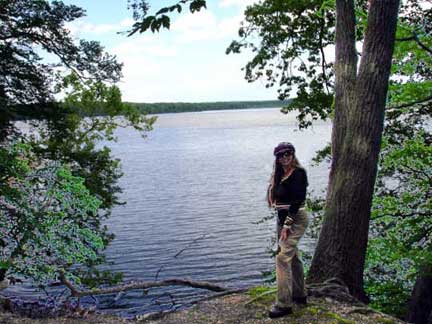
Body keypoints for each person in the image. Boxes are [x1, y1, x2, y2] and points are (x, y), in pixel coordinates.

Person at [267, 142, 309, 319]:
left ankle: (284, 303)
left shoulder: (299, 173)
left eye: (288, 154)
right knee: (293, 257)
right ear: (276, 158)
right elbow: (273, 199)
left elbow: (298, 200)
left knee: (282, 257)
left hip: (296, 218)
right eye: (281, 155)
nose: (285, 158)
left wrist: (287, 225)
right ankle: (300, 294)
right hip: (282, 219)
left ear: (293, 154)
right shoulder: (279, 174)